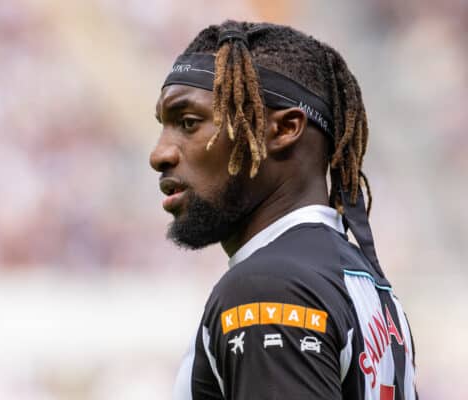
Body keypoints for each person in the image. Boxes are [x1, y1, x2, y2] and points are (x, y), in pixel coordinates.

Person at [150, 21, 418, 400]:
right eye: (163, 126)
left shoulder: (269, 287)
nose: (159, 154)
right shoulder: (363, 283)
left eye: (189, 123)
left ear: (283, 129)